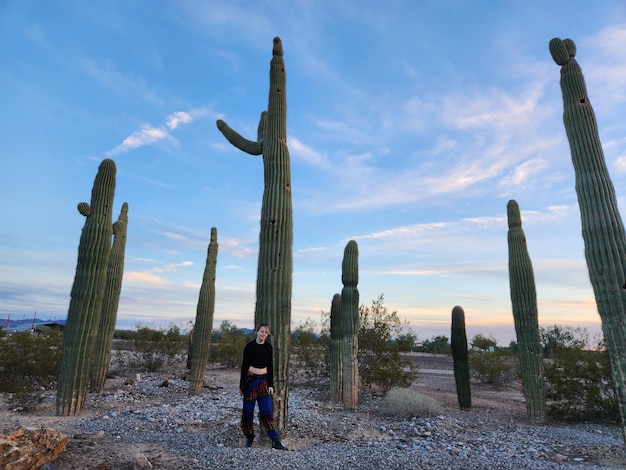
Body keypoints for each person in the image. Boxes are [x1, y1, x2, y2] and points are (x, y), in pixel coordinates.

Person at [239, 323, 288, 450]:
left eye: (266, 332)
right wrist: (242, 385)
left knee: (266, 412)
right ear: (257, 332)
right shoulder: (249, 347)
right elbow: (244, 366)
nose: (263, 334)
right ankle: (249, 437)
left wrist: (271, 384)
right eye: (262, 331)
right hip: (250, 382)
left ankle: (275, 440)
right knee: (247, 412)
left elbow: (270, 366)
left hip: (263, 383)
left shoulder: (268, 347)